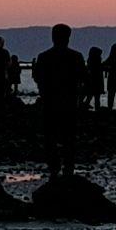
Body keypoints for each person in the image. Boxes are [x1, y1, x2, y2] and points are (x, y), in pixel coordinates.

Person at [34, 24, 85, 178]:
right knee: (69, 138)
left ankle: (54, 168)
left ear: (53, 37)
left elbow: (38, 78)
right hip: (69, 102)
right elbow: (83, 78)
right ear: (68, 37)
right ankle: (68, 168)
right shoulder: (76, 57)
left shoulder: (44, 57)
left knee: (50, 137)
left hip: (50, 102)